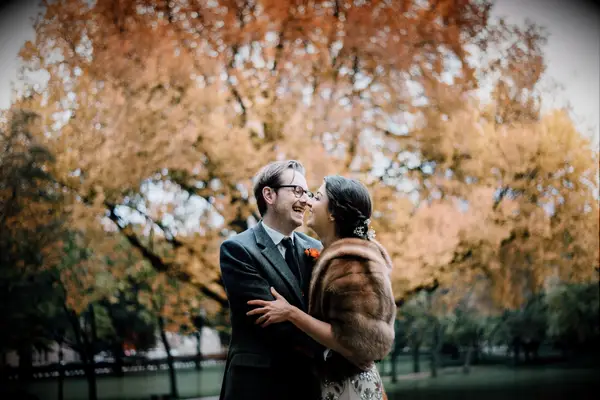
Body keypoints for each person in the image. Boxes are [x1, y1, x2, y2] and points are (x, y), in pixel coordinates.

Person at [247, 175, 396, 400]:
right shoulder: (332, 256)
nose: (307, 202)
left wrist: (291, 313)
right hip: (333, 383)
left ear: (333, 213)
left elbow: (357, 342)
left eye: (317, 197)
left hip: (350, 389)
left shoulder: (352, 263)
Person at [218, 160, 325, 400]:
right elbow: (270, 322)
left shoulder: (316, 247)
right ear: (269, 194)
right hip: (258, 386)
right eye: (297, 191)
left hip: (308, 384)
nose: (306, 201)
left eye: (307, 193)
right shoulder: (237, 250)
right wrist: (334, 339)